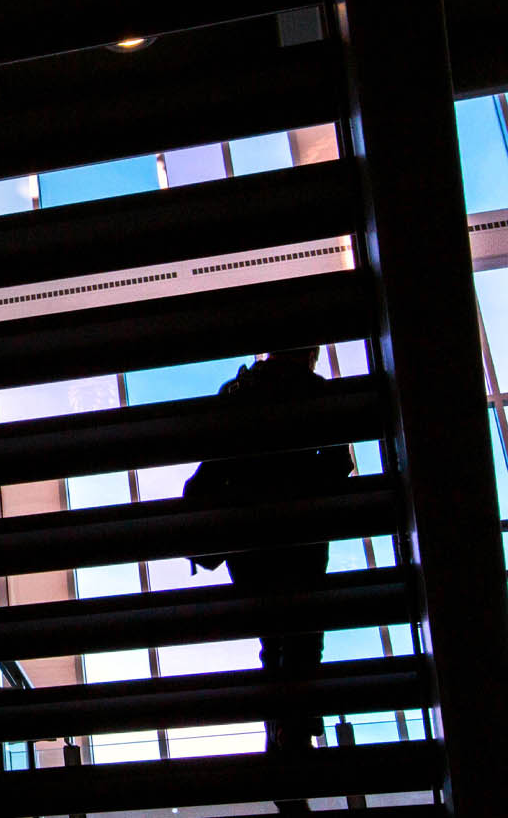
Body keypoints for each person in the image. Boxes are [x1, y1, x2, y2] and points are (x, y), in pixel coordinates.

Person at [181, 348, 353, 813]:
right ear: (309, 353)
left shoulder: (238, 391)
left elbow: (213, 463)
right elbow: (339, 465)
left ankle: (285, 738)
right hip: (300, 530)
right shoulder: (317, 394)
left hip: (248, 535)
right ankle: (289, 738)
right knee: (299, 638)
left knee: (273, 637)